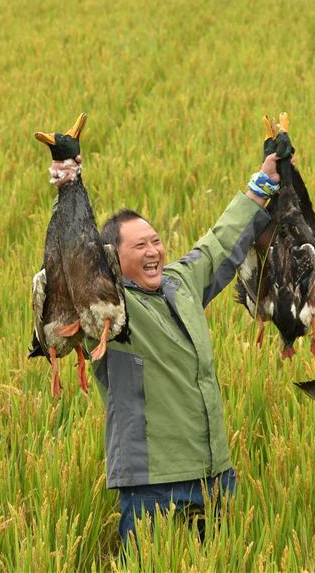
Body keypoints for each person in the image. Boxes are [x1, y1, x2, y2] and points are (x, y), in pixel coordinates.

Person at [40, 136, 279, 546]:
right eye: (140, 246)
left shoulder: (180, 283)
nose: (153, 251)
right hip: (153, 484)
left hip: (214, 474)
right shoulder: (108, 310)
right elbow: (74, 263)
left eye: (155, 241)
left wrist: (264, 181)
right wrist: (69, 185)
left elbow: (219, 241)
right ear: (113, 259)